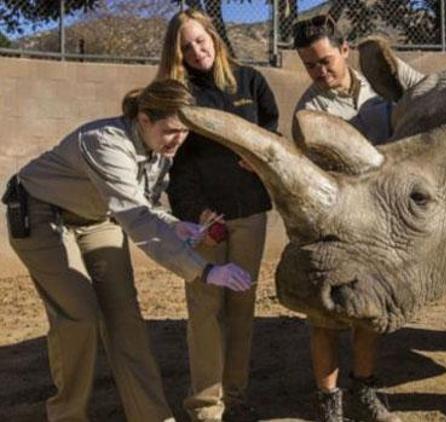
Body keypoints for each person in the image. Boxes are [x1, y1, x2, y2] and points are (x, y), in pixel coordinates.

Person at [3, 79, 253, 422]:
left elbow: (146, 207)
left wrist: (177, 226)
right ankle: (67, 415)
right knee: (80, 314)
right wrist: (206, 271)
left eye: (184, 131)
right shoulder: (104, 142)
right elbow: (137, 219)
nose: (178, 139)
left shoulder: (160, 149)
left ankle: (151, 416)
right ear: (144, 120)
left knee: (126, 319)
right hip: (41, 213)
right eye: (170, 131)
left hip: (97, 219)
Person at [292, 14, 421, 422]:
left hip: (379, 220)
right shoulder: (309, 109)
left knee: (368, 311)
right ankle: (329, 403)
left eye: (325, 60)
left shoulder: (379, 89)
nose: (319, 71)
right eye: (309, 65)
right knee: (326, 316)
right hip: (334, 223)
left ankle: (364, 390)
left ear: (345, 50)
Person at [156, 9, 279, 421]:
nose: (196, 51)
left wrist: (260, 160)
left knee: (242, 306)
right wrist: (194, 213)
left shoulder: (251, 82)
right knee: (205, 308)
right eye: (186, 46)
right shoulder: (179, 94)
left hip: (251, 212)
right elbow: (175, 165)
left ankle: (237, 395)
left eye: (200, 40)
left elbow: (272, 135)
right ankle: (206, 404)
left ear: (214, 37)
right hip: (207, 219)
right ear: (178, 53)